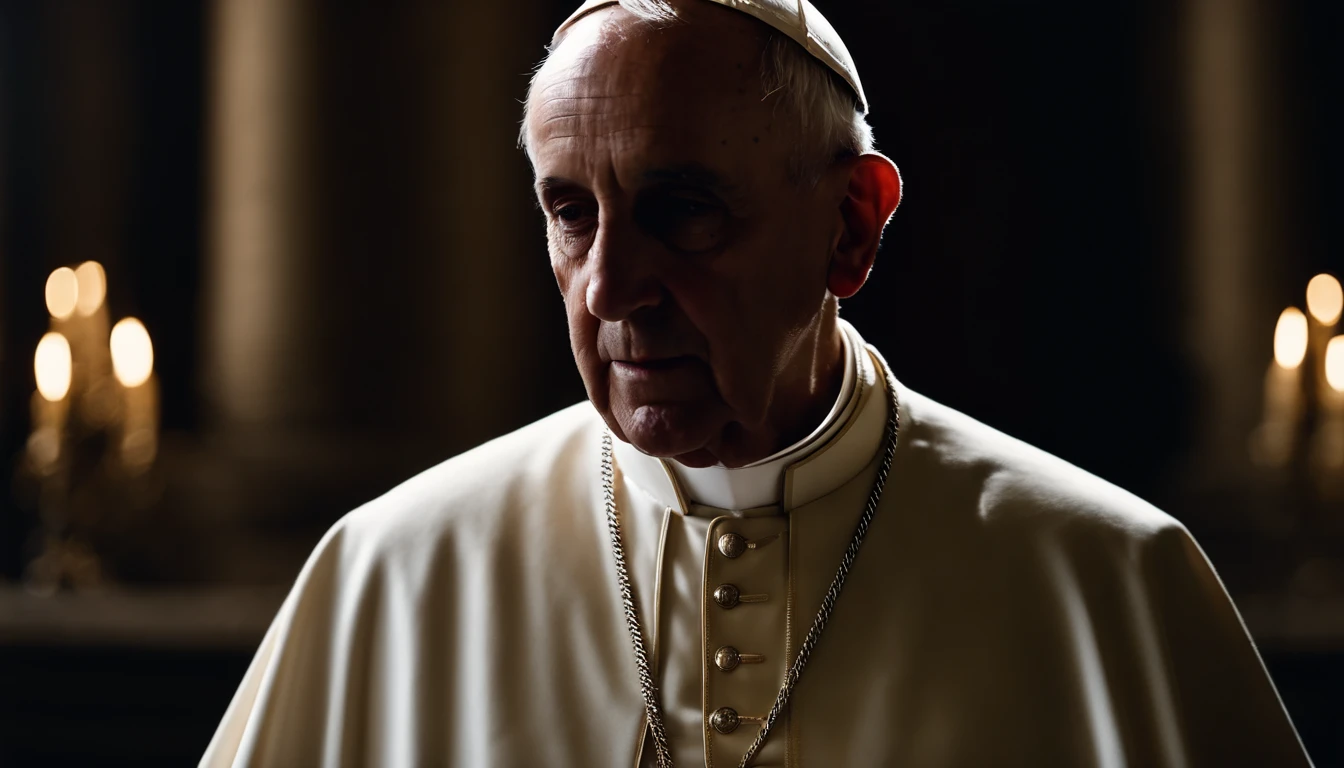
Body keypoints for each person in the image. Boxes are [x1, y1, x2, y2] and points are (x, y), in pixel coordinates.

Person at [202, 1, 1312, 766]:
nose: (609, 289)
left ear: (851, 228)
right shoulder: (393, 575)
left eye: (682, 211)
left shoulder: (1107, 581)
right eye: (570, 212)